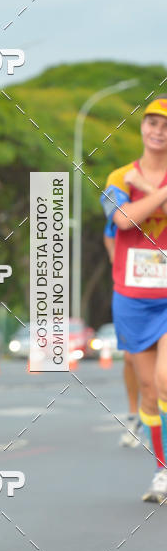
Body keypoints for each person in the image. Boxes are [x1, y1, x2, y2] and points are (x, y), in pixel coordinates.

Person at [100, 97, 167, 501]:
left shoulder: (133, 183)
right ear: (142, 128)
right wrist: (160, 194)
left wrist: (146, 193)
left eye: (166, 125)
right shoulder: (119, 176)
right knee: (148, 390)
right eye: (153, 123)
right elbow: (122, 219)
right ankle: (162, 469)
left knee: (165, 380)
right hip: (133, 297)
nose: (159, 131)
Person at [102, 219, 144, 447]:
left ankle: (155, 415)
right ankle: (134, 417)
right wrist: (114, 255)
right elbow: (110, 232)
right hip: (134, 293)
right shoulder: (124, 205)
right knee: (130, 357)